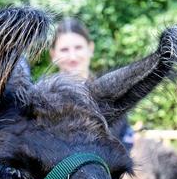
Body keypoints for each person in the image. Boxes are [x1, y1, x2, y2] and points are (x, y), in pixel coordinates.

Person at [51, 17, 134, 150]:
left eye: (78, 47)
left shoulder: (111, 93)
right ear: (53, 54)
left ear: (90, 48)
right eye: (64, 50)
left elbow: (124, 142)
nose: (72, 57)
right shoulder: (42, 98)